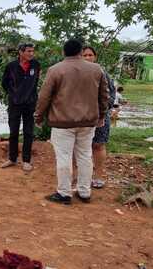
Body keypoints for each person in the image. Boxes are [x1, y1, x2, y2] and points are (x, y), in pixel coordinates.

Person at [35, 39, 109, 205]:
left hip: (63, 122)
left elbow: (44, 96)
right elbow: (104, 95)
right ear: (80, 52)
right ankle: (84, 192)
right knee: (85, 155)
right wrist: (102, 115)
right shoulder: (96, 69)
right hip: (88, 122)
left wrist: (38, 117)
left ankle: (64, 193)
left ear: (64, 52)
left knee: (64, 156)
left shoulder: (55, 70)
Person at [1, 43, 41, 172]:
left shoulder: (35, 65)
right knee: (13, 132)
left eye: (32, 51)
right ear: (21, 52)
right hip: (15, 104)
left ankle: (26, 161)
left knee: (28, 132)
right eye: (28, 51)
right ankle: (12, 158)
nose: (31, 54)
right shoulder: (11, 66)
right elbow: (4, 83)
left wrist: (31, 96)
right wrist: (14, 95)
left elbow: (35, 83)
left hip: (30, 104)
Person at [82, 46, 116, 189]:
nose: (88, 57)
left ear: (95, 57)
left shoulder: (103, 73)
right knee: (80, 147)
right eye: (85, 55)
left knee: (98, 145)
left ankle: (98, 176)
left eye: (90, 55)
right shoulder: (77, 73)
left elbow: (111, 95)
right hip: (81, 116)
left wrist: (102, 110)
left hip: (100, 116)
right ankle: (79, 176)